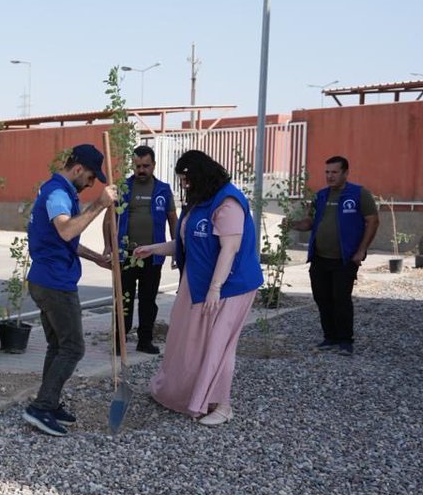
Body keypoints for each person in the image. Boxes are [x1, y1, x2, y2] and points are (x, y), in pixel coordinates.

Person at [132, 149, 263, 426]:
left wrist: (215, 289)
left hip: (230, 286)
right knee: (190, 342)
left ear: (201, 176)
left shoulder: (228, 202)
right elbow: (187, 243)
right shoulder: (199, 202)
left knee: (219, 346)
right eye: (181, 181)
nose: (184, 187)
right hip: (199, 283)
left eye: (187, 181)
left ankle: (222, 405)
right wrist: (152, 249)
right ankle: (186, 393)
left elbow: (229, 249)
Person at [22, 144, 118, 437]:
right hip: (54, 283)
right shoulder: (57, 194)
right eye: (90, 177)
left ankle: (48, 403)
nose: (91, 184)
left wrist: (96, 258)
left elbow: (66, 241)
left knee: (58, 346)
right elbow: (66, 230)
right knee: (74, 347)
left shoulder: (58, 191)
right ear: (77, 169)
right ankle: (40, 408)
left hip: (47, 278)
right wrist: (99, 204)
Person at [286, 156, 379, 355]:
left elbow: (373, 221)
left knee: (341, 298)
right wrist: (291, 225)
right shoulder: (320, 196)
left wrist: (361, 250)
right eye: (327, 172)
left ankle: (345, 341)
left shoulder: (359, 194)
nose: (330, 176)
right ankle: (329, 338)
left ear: (345, 173)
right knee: (322, 297)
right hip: (320, 258)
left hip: (345, 259)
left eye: (334, 172)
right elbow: (310, 223)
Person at [104, 145, 178, 354]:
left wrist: (176, 249)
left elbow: (173, 220)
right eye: (138, 166)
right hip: (126, 255)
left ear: (153, 165)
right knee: (123, 299)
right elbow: (109, 219)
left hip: (153, 256)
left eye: (146, 166)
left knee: (148, 300)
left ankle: (145, 341)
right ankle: (119, 342)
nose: (142, 170)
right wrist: (109, 246)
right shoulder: (123, 188)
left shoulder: (163, 189)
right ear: (133, 166)